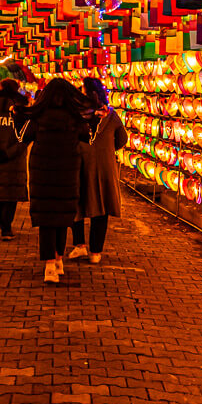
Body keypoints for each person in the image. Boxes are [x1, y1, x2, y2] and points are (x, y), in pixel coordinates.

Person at [21, 78, 91, 283]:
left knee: (46, 219)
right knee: (62, 217)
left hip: (42, 175)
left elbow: (24, 138)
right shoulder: (75, 119)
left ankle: (50, 265)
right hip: (68, 173)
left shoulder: (38, 117)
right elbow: (86, 138)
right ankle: (59, 260)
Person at [69, 77, 128, 264]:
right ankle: (95, 252)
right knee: (101, 207)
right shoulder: (111, 115)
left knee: (76, 204)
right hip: (104, 168)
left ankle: (80, 246)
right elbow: (122, 139)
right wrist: (107, 149)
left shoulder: (76, 115)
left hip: (79, 164)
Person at [0, 79, 29, 240]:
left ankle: (4, 225)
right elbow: (26, 137)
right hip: (15, 160)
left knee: (0, 192)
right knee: (12, 194)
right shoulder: (22, 113)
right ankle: (7, 226)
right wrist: (11, 152)